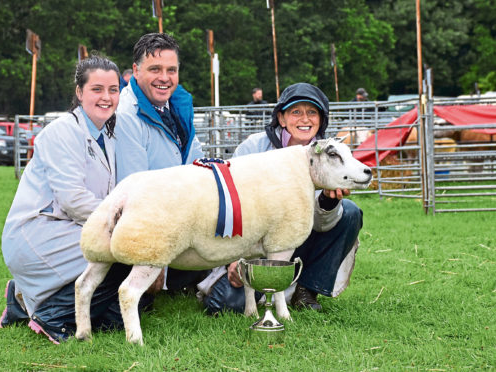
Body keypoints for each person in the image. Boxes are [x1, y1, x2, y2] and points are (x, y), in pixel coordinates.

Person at [0, 55, 147, 344]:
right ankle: (52, 317)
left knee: (121, 315)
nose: (106, 97)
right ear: (79, 92)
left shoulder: (109, 135)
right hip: (39, 232)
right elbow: (72, 200)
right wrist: (125, 221)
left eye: (113, 90)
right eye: (97, 89)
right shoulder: (62, 130)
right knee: (118, 258)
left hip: (70, 230)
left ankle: (20, 299)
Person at [200, 83, 364, 314]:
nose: (304, 119)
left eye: (312, 112)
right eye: (296, 112)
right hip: (253, 245)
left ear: (321, 120)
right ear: (282, 118)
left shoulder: (329, 157)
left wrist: (329, 201)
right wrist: (235, 258)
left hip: (299, 241)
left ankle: (306, 290)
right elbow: (231, 205)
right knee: (225, 305)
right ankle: (233, 278)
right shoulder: (254, 148)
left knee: (349, 212)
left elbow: (320, 224)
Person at [115, 33, 208, 294]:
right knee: (136, 302)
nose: (164, 78)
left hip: (180, 211)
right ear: (135, 70)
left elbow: (196, 160)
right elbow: (135, 191)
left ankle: (191, 276)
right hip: (147, 223)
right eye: (154, 69)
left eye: (171, 70)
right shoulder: (126, 116)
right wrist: (153, 262)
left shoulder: (177, 105)